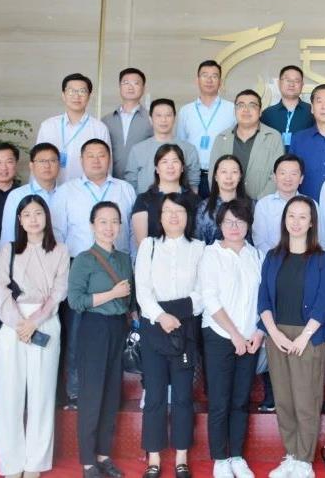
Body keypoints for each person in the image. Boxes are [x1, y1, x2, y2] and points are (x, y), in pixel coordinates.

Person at [50, 139, 136, 408]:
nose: (97, 160)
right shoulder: (66, 191)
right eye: (90, 156)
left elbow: (131, 233)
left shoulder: (125, 189)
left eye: (102, 155)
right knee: (77, 333)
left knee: (116, 336)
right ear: (81, 160)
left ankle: (111, 392)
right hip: (80, 265)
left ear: (110, 159)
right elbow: (58, 234)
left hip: (117, 265)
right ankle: (76, 391)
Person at [0, 195, 69, 478]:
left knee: (42, 393)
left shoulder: (60, 250)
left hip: (45, 322)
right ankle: (11, 463)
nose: (33, 219)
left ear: (46, 217)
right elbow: (0, 289)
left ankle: (35, 462)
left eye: (38, 213)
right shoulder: (9, 250)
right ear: (20, 220)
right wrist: (19, 323)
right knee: (9, 394)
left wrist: (35, 321)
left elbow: (59, 291)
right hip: (12, 323)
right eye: (27, 214)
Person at [258, 196, 325, 478]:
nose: (296, 222)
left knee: (306, 401)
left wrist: (305, 336)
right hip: (277, 336)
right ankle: (290, 455)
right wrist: (274, 333)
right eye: (291, 215)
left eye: (303, 216)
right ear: (284, 220)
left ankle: (303, 461)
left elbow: (324, 300)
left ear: (312, 222)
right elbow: (263, 299)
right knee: (284, 400)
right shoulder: (272, 257)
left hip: (308, 338)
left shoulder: (322, 259)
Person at [136, 193, 206, 478]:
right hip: (154, 328)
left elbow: (202, 294)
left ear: (188, 216)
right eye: (168, 211)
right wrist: (161, 315)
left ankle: (181, 456)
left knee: (182, 396)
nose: (174, 216)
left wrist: (174, 313)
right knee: (154, 395)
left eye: (180, 211)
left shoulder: (199, 248)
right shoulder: (149, 246)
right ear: (160, 217)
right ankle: (153, 457)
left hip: (185, 330)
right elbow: (142, 290)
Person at [67, 201, 133, 478]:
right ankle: (88, 462)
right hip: (93, 329)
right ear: (92, 225)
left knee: (111, 394)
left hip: (118, 328)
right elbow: (75, 300)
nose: (109, 227)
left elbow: (130, 299)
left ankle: (104, 455)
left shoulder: (124, 259)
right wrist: (112, 295)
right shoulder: (84, 259)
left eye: (114, 221)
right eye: (103, 221)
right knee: (92, 395)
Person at [200, 200, 265, 478]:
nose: (234, 227)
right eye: (228, 221)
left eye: (240, 221)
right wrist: (235, 335)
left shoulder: (256, 255)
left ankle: (237, 455)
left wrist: (259, 332)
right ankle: (220, 458)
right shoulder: (211, 254)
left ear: (248, 225)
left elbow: (264, 298)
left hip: (251, 339)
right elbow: (210, 298)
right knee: (220, 401)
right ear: (220, 224)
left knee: (240, 400)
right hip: (219, 336)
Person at [36, 73, 111, 185]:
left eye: (82, 91)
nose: (76, 96)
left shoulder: (99, 128)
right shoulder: (48, 126)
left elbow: (107, 166)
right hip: (51, 189)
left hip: (86, 191)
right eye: (71, 91)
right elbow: (37, 162)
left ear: (89, 96)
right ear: (63, 95)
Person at [176, 60, 237, 198]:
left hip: (221, 177)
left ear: (220, 82)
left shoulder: (232, 109)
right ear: (197, 80)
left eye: (214, 76)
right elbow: (181, 145)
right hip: (192, 176)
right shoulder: (186, 111)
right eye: (205, 75)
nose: (209, 80)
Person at [210, 89, 285, 199]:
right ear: (234, 111)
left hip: (261, 204)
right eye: (241, 105)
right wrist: (225, 201)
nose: (246, 110)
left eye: (252, 105)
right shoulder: (221, 138)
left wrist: (260, 204)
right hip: (227, 204)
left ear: (260, 111)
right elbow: (213, 174)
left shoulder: (273, 137)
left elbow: (277, 174)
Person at [125, 98, 201, 193]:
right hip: (146, 201)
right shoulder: (137, 150)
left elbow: (193, 183)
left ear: (174, 118)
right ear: (150, 119)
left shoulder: (189, 149)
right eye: (159, 115)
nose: (163, 120)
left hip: (180, 202)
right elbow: (130, 183)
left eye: (168, 115)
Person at [132, 144, 201, 247]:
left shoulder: (195, 200)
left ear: (182, 168)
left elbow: (199, 239)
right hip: (154, 255)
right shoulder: (143, 199)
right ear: (157, 169)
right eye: (164, 162)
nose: (170, 166)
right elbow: (142, 244)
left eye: (175, 161)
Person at [289, 84, 325, 200]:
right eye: (319, 102)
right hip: (305, 206)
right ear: (312, 108)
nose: (324, 107)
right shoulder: (298, 139)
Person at [0, 143, 60, 248]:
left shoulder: (66, 193)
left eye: (52, 160)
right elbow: (8, 235)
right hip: (25, 254)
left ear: (59, 164)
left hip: (61, 254)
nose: (47, 165)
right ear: (31, 166)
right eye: (42, 161)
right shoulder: (17, 195)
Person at [253, 154, 314, 253]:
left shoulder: (311, 204)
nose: (288, 178)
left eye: (293, 174)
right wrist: (276, 259)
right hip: (271, 259)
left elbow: (318, 239)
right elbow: (259, 241)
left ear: (301, 179)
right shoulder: (263, 205)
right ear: (274, 177)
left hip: (305, 259)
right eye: (283, 173)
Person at [101, 67, 153, 180]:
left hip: (141, 180)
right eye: (125, 83)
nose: (130, 87)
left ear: (143, 88)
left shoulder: (152, 119)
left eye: (136, 83)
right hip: (111, 181)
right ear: (119, 87)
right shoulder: (106, 121)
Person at [195, 154, 254, 246]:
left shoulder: (252, 206)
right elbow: (198, 243)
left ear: (240, 176)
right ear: (215, 176)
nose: (228, 177)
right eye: (224, 172)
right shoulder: (203, 208)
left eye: (234, 172)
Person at [261, 65, 315, 149]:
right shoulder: (267, 113)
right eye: (288, 80)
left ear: (302, 85)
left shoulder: (312, 111)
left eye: (296, 81)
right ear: (279, 83)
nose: (292, 84)